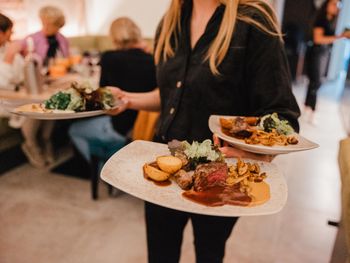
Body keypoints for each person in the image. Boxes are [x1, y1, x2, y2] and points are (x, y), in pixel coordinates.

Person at [108, 0, 300, 262]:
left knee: (209, 253)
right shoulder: (171, 23)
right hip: (164, 162)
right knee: (160, 254)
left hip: (222, 174)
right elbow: (171, 95)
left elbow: (281, 113)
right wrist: (128, 100)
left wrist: (260, 155)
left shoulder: (252, 22)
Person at [68, 17, 156, 170]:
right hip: (143, 126)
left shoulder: (109, 57)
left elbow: (104, 94)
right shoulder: (153, 58)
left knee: (75, 129)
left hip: (119, 126)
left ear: (114, 38)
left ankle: (105, 169)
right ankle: (115, 158)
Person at [20, 6, 69, 168]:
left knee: (54, 101)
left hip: (55, 81)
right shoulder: (31, 39)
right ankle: (31, 144)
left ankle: (46, 140)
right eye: (45, 23)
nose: (47, 27)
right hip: (35, 82)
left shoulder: (62, 40)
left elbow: (67, 61)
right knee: (39, 103)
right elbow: (22, 63)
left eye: (52, 25)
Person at [304, 0, 349, 124]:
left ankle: (307, 106)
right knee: (316, 82)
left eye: (337, 5)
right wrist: (339, 37)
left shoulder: (331, 20)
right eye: (333, 4)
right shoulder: (321, 19)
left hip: (323, 52)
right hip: (315, 52)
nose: (336, 7)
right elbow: (318, 39)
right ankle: (312, 110)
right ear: (327, 5)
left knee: (314, 82)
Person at [0, 13, 23, 90]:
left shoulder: (6, 46)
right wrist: (9, 58)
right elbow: (1, 83)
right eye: (10, 31)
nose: (11, 34)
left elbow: (21, 77)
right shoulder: (9, 50)